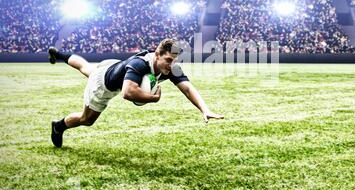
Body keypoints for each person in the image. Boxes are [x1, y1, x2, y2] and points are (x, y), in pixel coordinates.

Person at [48, 39, 224, 148]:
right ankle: (59, 126)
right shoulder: (140, 64)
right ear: (157, 55)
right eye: (168, 60)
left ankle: (60, 54)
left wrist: (204, 109)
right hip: (103, 85)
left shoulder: (171, 68)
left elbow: (187, 88)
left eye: (174, 61)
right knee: (86, 120)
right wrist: (153, 98)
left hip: (114, 66)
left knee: (86, 67)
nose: (171, 65)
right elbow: (128, 92)